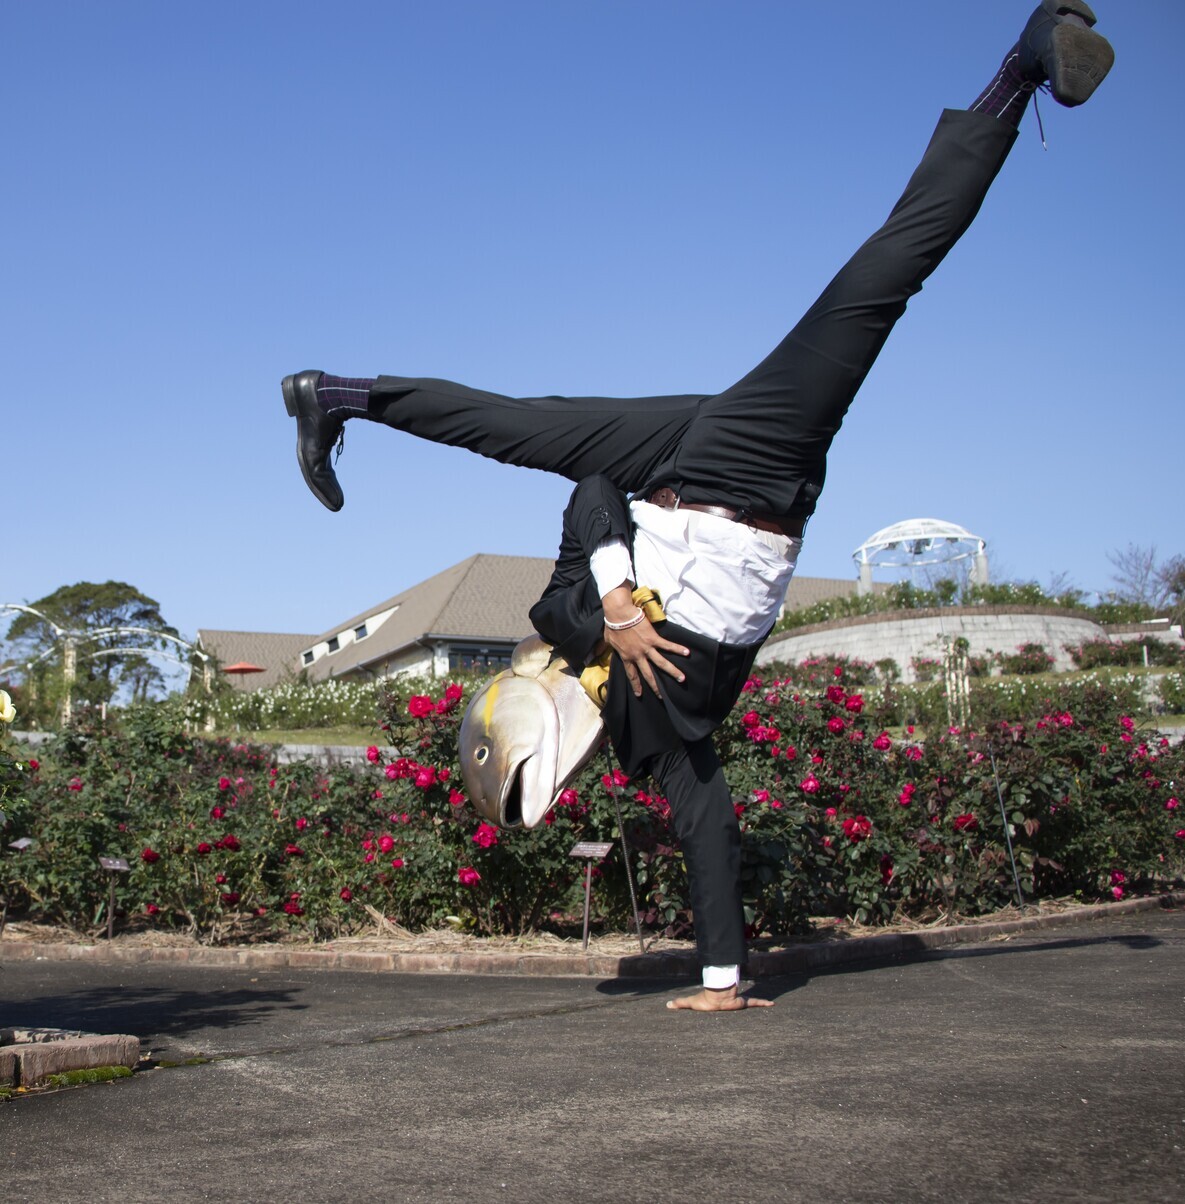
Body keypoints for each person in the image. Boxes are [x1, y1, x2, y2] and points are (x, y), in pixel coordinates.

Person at [282, 3, 1114, 1011]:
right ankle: (330, 396)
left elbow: (590, 496)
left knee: (541, 418)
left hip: (703, 467)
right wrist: (723, 980)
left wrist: (620, 602)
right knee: (858, 297)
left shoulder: (559, 618)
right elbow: (707, 822)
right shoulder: (654, 739)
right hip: (756, 487)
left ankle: (1019, 70)